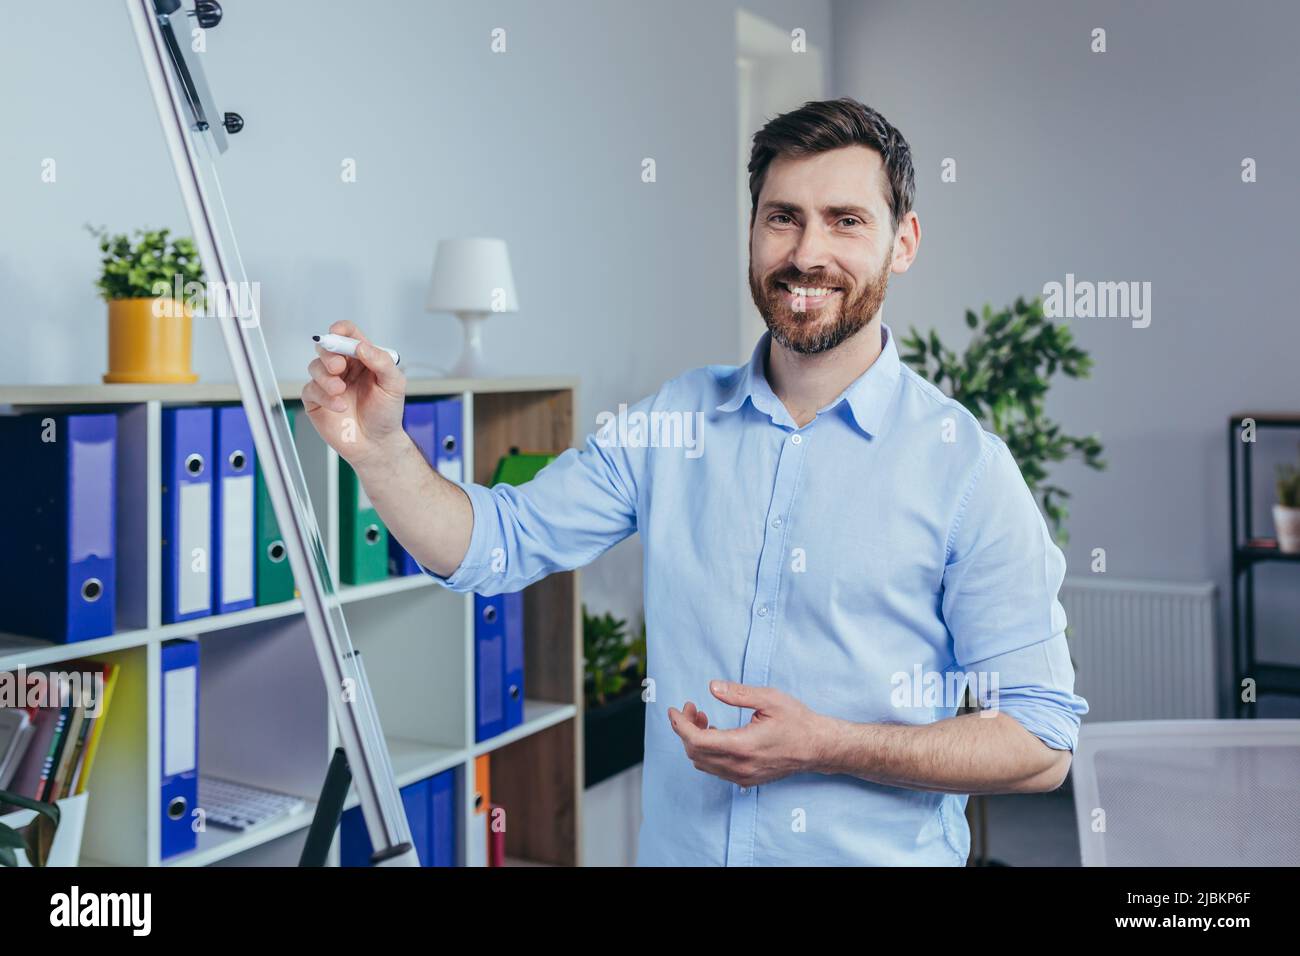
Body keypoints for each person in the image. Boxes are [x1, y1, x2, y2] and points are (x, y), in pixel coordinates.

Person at [302, 97, 1088, 866]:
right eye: (783, 217)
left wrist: (826, 746)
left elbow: (1040, 740)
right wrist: (379, 451)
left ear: (903, 241)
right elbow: (497, 544)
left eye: (846, 220)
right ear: (752, 233)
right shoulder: (671, 423)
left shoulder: (966, 470)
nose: (807, 253)